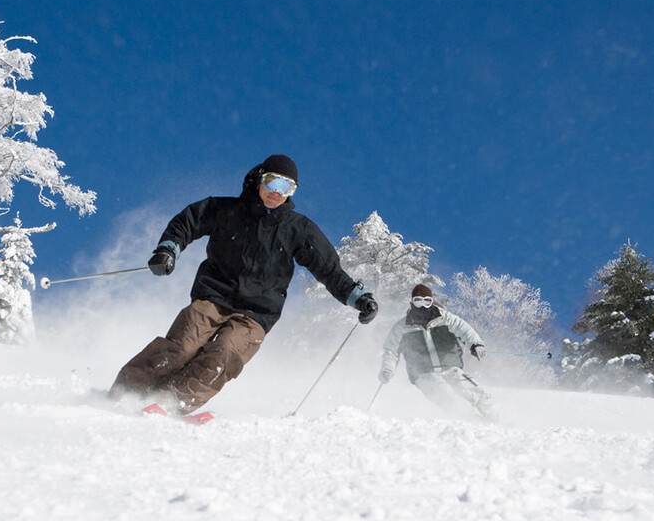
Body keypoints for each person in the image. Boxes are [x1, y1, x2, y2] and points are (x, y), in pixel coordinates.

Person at [110, 154, 379, 415]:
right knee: (183, 346)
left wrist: (357, 297)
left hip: (257, 312)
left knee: (224, 353)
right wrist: (168, 249)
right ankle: (126, 391)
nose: (277, 192)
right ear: (260, 179)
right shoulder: (226, 210)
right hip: (213, 296)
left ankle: (171, 402)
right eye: (272, 182)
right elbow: (188, 221)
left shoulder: (298, 229)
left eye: (286, 187)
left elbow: (328, 268)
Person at [378, 284, 495, 419]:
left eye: (427, 301)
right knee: (442, 393)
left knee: (467, 386)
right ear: (412, 302)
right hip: (423, 373)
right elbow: (391, 350)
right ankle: (466, 418)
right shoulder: (402, 327)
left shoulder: (444, 318)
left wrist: (476, 344)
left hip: (450, 367)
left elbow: (463, 328)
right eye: (418, 301)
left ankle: (492, 413)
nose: (422, 306)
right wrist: (387, 369)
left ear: (432, 302)